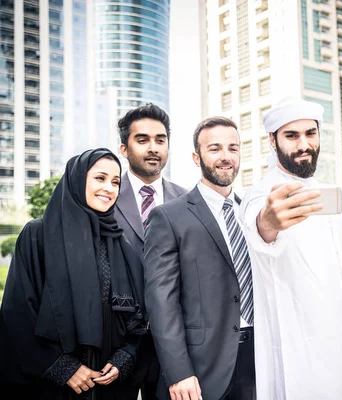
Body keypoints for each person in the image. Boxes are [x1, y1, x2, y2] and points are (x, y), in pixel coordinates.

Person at [240, 97, 342, 400]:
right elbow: (260, 231)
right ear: (272, 140)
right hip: (296, 347)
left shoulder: (327, 194)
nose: (304, 144)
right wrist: (269, 221)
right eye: (292, 136)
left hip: (339, 342)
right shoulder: (262, 193)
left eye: (310, 133)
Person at [0, 148, 148, 399]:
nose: (109, 188)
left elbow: (141, 322)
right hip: (51, 385)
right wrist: (62, 368)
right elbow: (17, 313)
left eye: (115, 182)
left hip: (109, 388)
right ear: (78, 179)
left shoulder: (124, 248)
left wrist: (125, 357)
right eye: (100, 178)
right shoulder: (39, 236)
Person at [143, 117, 256, 400]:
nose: (226, 157)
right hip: (201, 366)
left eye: (233, 148)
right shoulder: (169, 217)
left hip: (258, 360)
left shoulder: (253, 215)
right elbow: (161, 303)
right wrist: (178, 370)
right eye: (215, 148)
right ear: (197, 157)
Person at [113, 103, 186, 400]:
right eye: (142, 140)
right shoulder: (105, 197)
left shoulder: (188, 200)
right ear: (124, 148)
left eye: (160, 140)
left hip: (175, 342)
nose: (153, 148)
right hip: (118, 343)